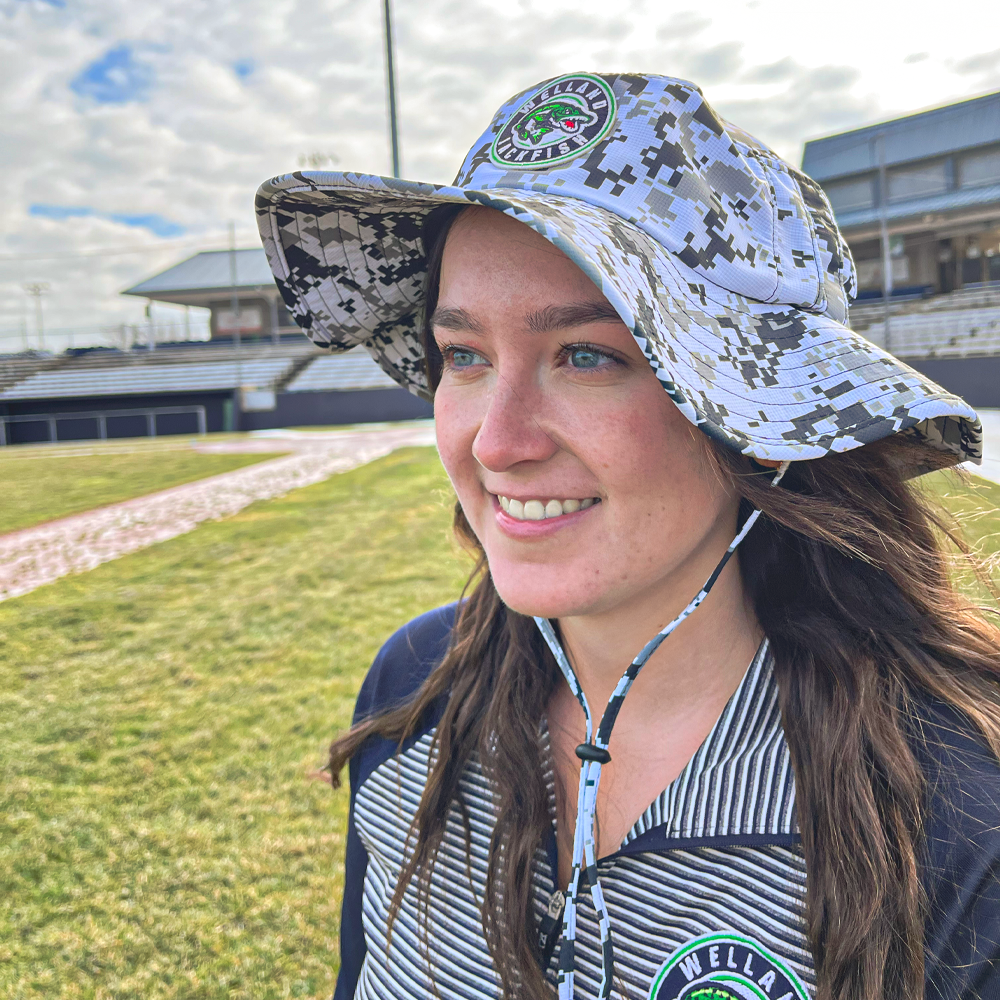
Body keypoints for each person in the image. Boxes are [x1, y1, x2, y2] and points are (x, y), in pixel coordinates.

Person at [255, 73, 1000, 1000]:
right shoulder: (417, 690)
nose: (496, 442)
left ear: (756, 419)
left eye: (588, 355)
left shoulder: (949, 793)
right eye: (465, 356)